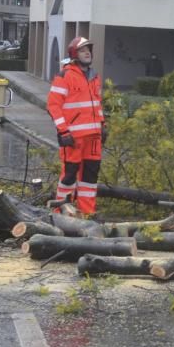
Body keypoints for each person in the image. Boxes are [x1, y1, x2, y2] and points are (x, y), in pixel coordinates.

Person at [47, 36, 107, 216]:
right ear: (74, 54)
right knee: (69, 176)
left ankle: (87, 214)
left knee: (90, 178)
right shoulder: (65, 76)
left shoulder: (94, 77)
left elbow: (97, 103)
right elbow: (53, 105)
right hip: (73, 138)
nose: (87, 52)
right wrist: (63, 131)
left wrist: (102, 125)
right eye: (82, 50)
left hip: (93, 138)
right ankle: (61, 213)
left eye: (88, 49)